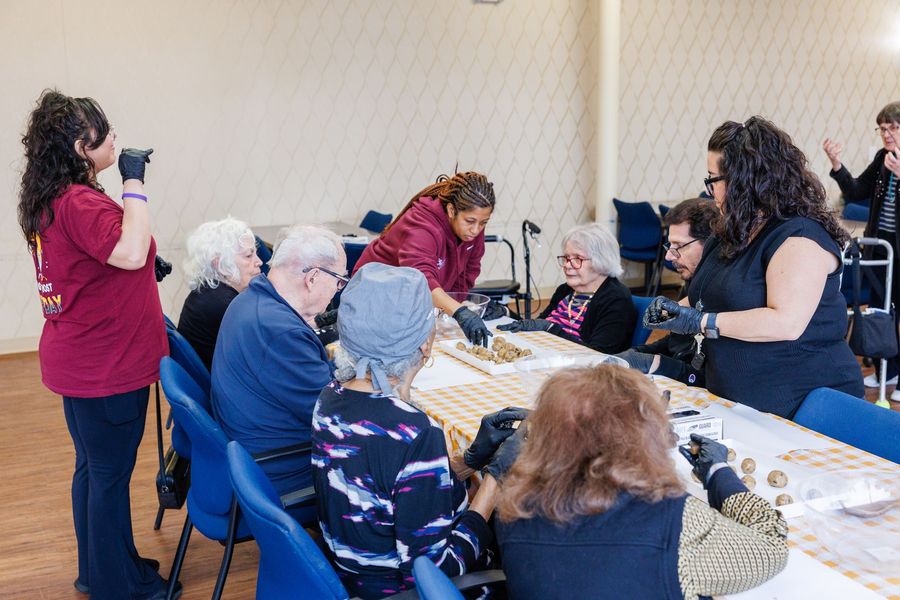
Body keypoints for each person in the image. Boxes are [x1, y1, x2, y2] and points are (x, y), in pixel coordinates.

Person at [17, 90, 171, 598]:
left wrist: (147, 263)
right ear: (84, 145)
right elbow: (127, 252)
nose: (115, 139)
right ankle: (117, 585)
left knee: (94, 469)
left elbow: (99, 262)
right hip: (107, 365)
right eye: (106, 133)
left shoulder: (52, 198)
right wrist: (133, 180)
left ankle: (101, 568)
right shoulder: (81, 201)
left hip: (81, 359)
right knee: (107, 475)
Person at [312, 262, 525, 598]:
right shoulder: (415, 432)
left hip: (353, 572)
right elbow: (435, 572)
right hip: (399, 591)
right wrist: (493, 485)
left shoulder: (330, 397)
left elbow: (392, 486)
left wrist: (469, 460)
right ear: (426, 343)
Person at [495, 365, 789, 600]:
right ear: (644, 437)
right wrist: (719, 473)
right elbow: (771, 549)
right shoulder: (673, 519)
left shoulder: (514, 503)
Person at [645, 116, 863, 418]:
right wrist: (671, 311)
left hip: (801, 405)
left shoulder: (800, 235)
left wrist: (700, 321)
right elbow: (707, 299)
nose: (710, 192)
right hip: (737, 400)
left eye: (713, 180)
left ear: (745, 180)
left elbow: (785, 323)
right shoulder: (731, 231)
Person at [212, 225, 346, 498]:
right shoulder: (279, 330)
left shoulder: (250, 300)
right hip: (283, 468)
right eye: (339, 280)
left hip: (253, 447)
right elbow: (336, 417)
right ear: (313, 278)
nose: (337, 289)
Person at [353, 172, 496, 346]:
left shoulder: (472, 231)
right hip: (375, 298)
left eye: (483, 223)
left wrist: (460, 305)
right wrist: (458, 312)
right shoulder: (422, 226)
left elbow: (466, 274)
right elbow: (421, 282)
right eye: (470, 221)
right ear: (452, 210)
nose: (475, 230)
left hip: (410, 304)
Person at [824, 101, 900, 394]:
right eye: (882, 128)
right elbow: (856, 191)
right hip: (880, 248)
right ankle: (888, 369)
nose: (887, 134)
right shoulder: (883, 157)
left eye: (893, 127)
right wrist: (836, 165)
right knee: (882, 311)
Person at [617, 198, 719, 385]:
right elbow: (676, 342)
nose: (669, 256)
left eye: (678, 246)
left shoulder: (727, 296)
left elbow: (712, 377)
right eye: (669, 246)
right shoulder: (693, 284)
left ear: (711, 244)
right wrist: (637, 354)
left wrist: (659, 364)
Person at [498, 223, 636, 354]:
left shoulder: (616, 299)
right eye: (566, 258)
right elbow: (538, 325)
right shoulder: (566, 290)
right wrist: (505, 312)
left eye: (577, 258)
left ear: (601, 260)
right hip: (545, 356)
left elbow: (599, 355)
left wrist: (550, 328)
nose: (567, 265)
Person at [176, 217, 262, 370]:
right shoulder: (225, 306)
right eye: (249, 256)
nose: (259, 262)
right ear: (220, 265)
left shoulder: (207, 293)